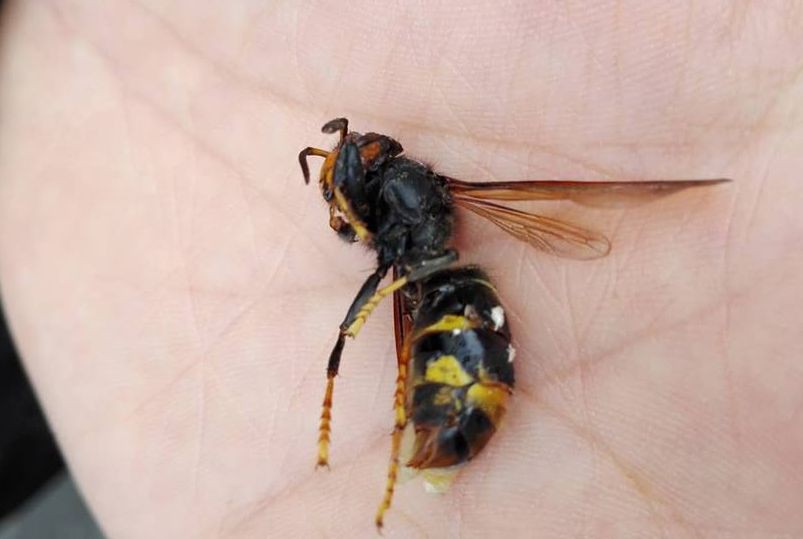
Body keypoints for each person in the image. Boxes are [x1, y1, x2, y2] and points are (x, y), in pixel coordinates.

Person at [1, 2, 801, 537]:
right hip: (444, 304)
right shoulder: (391, 228)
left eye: (353, 161)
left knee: (358, 347)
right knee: (377, 337)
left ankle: (389, 448)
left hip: (449, 309)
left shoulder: (404, 218)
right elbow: (358, 233)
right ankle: (398, 449)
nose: (345, 172)